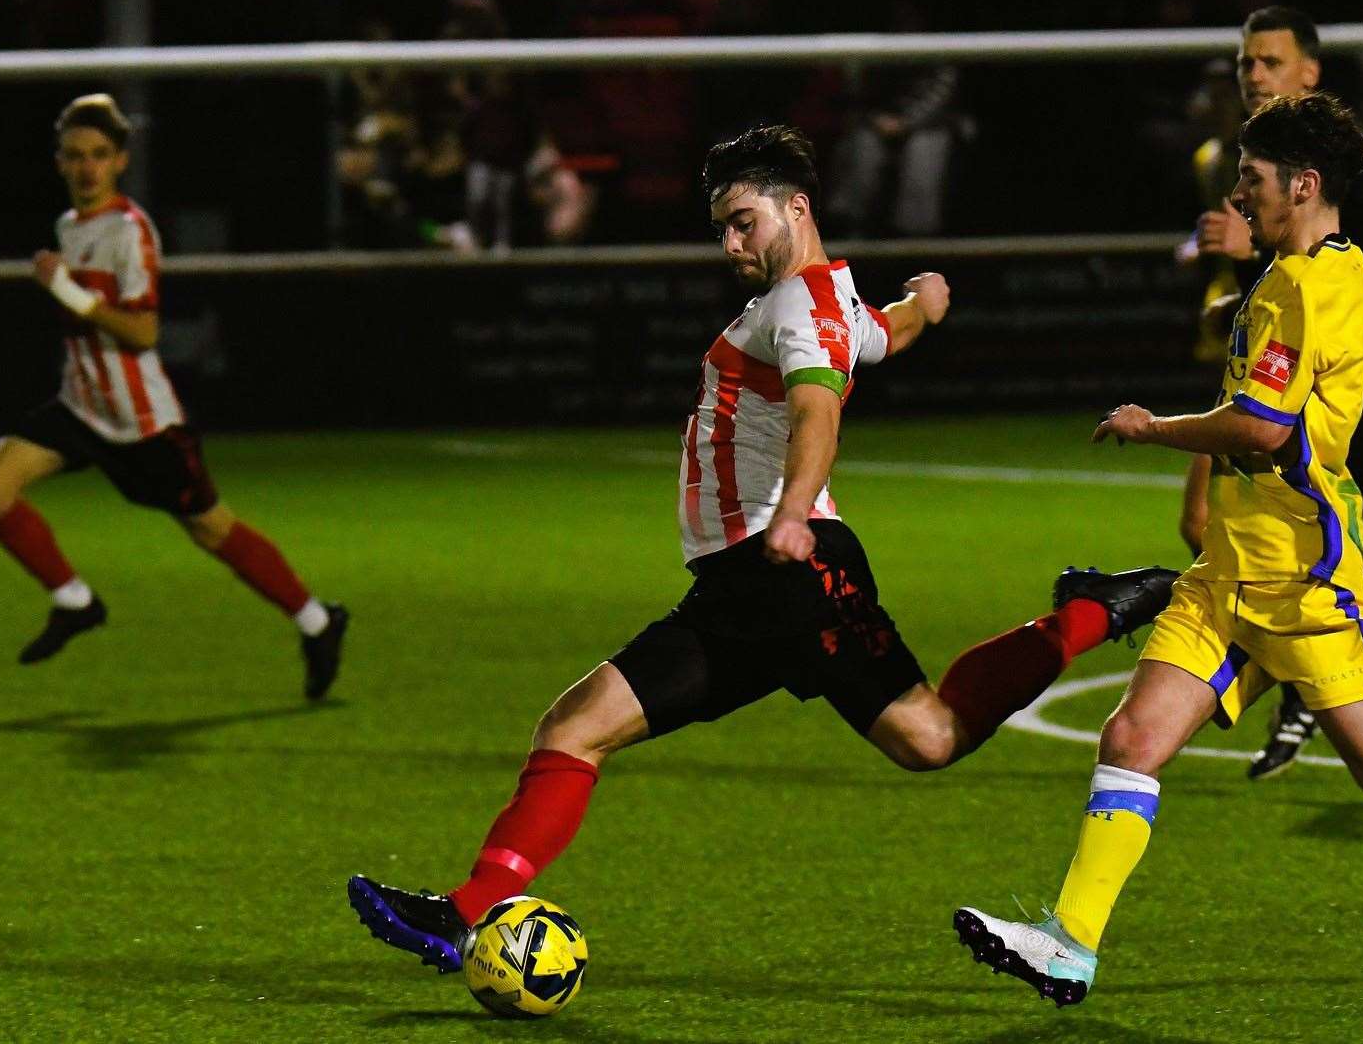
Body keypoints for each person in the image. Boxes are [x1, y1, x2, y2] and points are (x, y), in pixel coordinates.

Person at [344, 124, 1177, 968]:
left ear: (796, 206)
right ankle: (465, 913)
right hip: (740, 588)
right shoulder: (826, 302)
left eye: (743, 220)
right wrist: (923, 306)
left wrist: (790, 513)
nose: (731, 242)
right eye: (720, 228)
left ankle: (1086, 611)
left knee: (929, 736)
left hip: (789, 567)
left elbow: (819, 409)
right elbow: (879, 334)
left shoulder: (798, 309)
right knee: (573, 727)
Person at [953, 93, 1363, 1008]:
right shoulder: (1345, 270)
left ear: (1302, 185)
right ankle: (1067, 943)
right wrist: (1348, 370)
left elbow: (1260, 427)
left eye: (1252, 180)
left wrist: (1148, 425)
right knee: (1129, 737)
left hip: (1303, 578)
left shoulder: (1290, 291)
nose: (1238, 196)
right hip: (1227, 574)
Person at [1180, 7, 1363, 780]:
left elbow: (1349, 284)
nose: (1253, 75)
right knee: (1206, 526)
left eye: (1270, 63)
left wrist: (1243, 272)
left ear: (1309, 73)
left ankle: (1314, 691)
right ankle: (1304, 690)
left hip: (1345, 396)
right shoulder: (1239, 159)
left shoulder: (1335, 176)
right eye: (1246, 62)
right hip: (1273, 386)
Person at [0, 93, 349, 698]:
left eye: (99, 155)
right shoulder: (68, 228)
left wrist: (67, 294)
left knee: (211, 531)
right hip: (79, 407)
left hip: (142, 424)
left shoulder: (130, 232)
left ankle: (318, 620)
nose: (87, 167)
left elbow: (143, 332)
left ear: (120, 160)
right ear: (60, 163)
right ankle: (75, 601)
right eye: (75, 156)